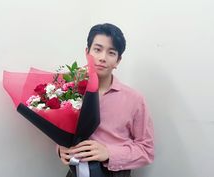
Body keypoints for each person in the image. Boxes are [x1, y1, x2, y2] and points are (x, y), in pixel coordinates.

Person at [57, 23, 154, 177]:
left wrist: (109, 153)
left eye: (111, 52)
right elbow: (63, 131)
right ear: (87, 52)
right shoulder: (69, 91)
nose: (102, 58)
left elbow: (146, 150)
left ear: (118, 61)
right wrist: (61, 149)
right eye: (97, 49)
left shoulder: (134, 99)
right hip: (75, 172)